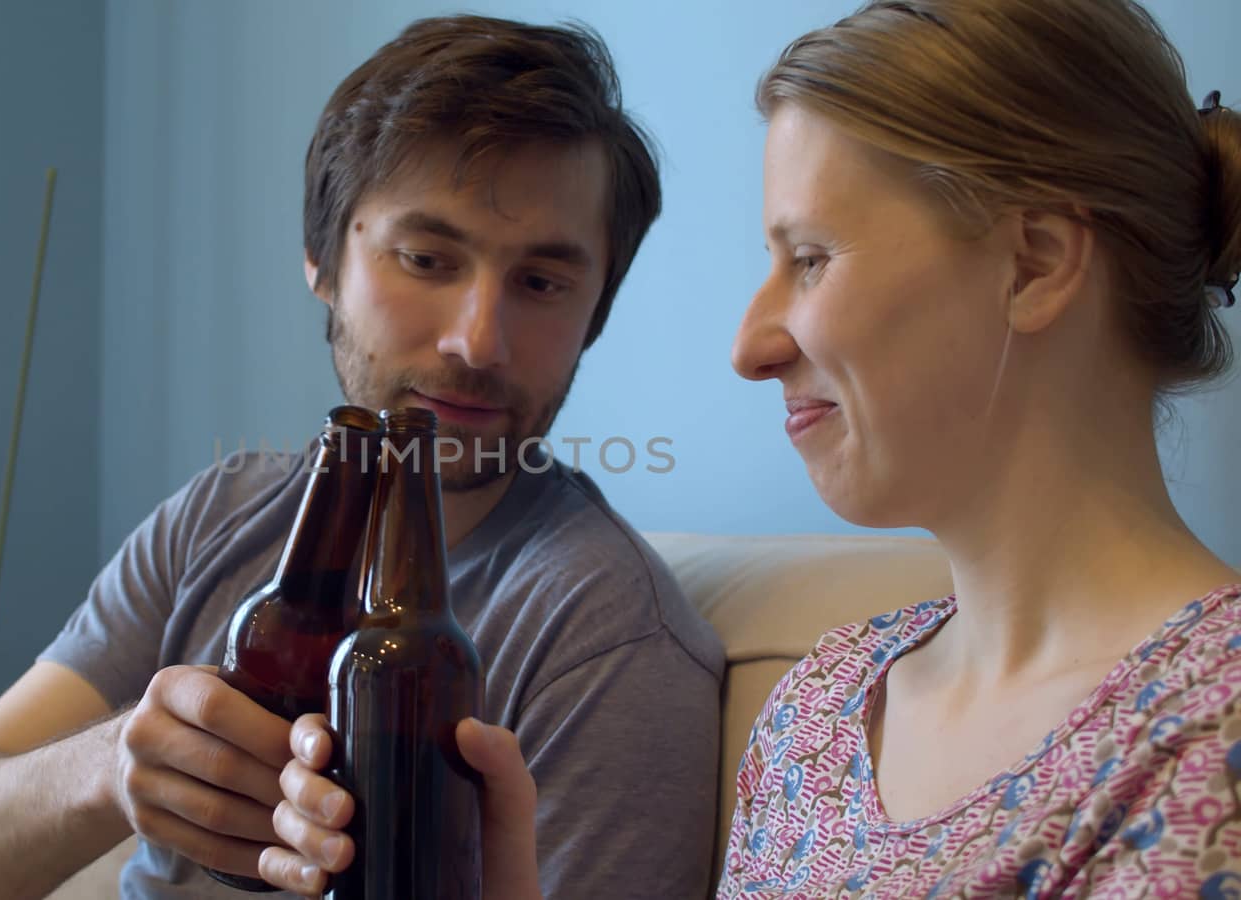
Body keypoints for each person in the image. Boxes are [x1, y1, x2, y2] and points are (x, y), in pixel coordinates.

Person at [260, 0, 1241, 896]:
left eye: (808, 260)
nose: (749, 347)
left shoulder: (1210, 738)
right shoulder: (820, 708)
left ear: (1031, 265)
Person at [0, 14, 726, 900]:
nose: (478, 341)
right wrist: (109, 769)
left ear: (594, 316)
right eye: (427, 258)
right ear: (323, 260)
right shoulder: (221, 511)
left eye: (543, 284)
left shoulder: (607, 636)